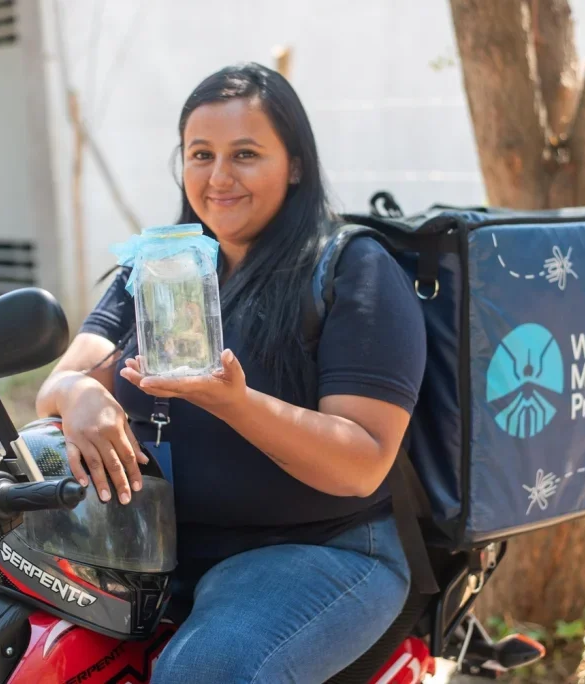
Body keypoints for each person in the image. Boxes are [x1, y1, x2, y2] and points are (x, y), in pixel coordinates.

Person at [35, 62, 426, 683]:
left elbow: (362, 463)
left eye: (245, 154)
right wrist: (78, 392)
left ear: (294, 165)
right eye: (201, 154)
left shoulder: (351, 269)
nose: (219, 177)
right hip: (153, 549)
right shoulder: (156, 266)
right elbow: (58, 385)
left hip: (318, 548)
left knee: (205, 672)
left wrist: (234, 403)